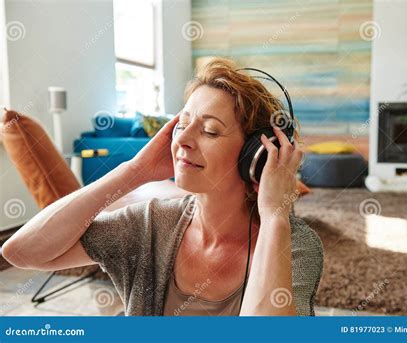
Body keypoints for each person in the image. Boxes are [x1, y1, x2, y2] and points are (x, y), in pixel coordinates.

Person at [3, 58, 323, 316]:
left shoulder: (294, 246)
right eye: (181, 125)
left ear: (255, 155)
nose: (182, 139)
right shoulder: (150, 225)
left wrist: (274, 215)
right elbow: (19, 251)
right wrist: (134, 171)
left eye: (210, 131)